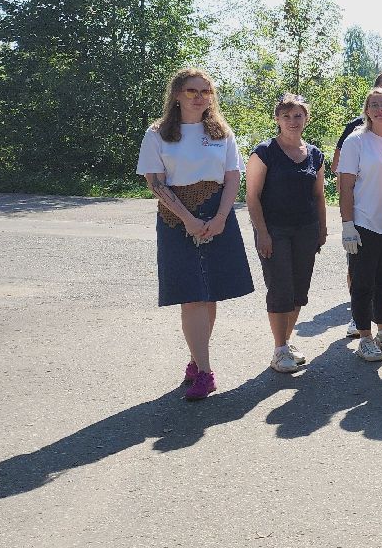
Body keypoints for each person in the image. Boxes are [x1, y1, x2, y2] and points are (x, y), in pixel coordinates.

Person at [137, 68, 254, 401]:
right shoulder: (157, 134)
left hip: (218, 216)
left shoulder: (221, 132)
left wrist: (220, 217)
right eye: (192, 91)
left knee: (210, 293)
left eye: (206, 91)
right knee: (191, 295)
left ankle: (195, 360)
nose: (200, 97)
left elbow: (233, 176)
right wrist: (188, 218)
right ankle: (205, 372)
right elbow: (155, 182)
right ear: (177, 94)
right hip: (176, 219)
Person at [245, 93, 327, 374]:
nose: (292, 121)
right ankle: (279, 349)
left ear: (306, 118)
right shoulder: (264, 151)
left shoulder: (314, 154)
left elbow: (319, 196)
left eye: (298, 116)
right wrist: (262, 233)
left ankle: (286, 342)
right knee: (280, 288)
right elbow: (252, 197)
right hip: (274, 230)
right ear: (277, 119)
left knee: (298, 290)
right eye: (286, 116)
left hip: (306, 229)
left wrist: (322, 227)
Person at [333, 70, 382, 334]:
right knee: (363, 282)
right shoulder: (356, 140)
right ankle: (365, 337)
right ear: (367, 111)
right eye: (373, 105)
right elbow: (345, 186)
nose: (379, 109)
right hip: (365, 223)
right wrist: (347, 225)